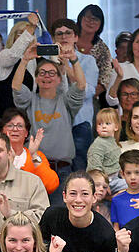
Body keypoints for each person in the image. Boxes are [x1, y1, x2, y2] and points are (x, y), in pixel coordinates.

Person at [13, 41, 86, 183]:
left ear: (59, 79)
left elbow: (81, 85)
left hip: (63, 170)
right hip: (34, 168)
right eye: (42, 73)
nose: (47, 76)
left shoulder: (66, 102)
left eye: (52, 73)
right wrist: (25, 60)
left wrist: (73, 59)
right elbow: (16, 86)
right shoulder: (30, 100)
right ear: (36, 78)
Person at [49, 19, 98, 173]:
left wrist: (67, 66)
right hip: (54, 124)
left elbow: (88, 91)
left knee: (80, 171)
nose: (64, 37)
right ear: (53, 39)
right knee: (57, 173)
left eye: (68, 33)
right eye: (59, 34)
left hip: (79, 124)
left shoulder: (88, 61)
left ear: (76, 37)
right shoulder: (47, 62)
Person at [39, 171, 116, 252]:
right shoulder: (51, 216)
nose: (78, 200)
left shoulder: (106, 234)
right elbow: (39, 250)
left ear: (94, 197)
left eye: (84, 194)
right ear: (64, 196)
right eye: (73, 193)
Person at [0, 107, 59, 193]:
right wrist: (7, 159)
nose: (15, 129)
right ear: (2, 131)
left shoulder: (37, 156)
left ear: (26, 132)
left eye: (20, 126)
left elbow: (51, 186)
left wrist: (34, 155)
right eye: (10, 125)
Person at [75, 5, 113, 101]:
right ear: (81, 18)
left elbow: (105, 78)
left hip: (89, 99)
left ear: (100, 24)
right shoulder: (68, 39)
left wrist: (86, 96)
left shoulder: (103, 49)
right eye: (88, 18)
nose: (91, 22)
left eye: (95, 19)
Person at [87, 108, 123, 192]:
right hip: (106, 181)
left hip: (116, 177)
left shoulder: (112, 142)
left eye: (107, 123)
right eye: (100, 124)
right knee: (130, 186)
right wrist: (102, 185)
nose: (103, 126)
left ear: (116, 127)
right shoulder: (98, 145)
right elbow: (94, 168)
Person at [110, 151, 139, 229]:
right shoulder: (116, 200)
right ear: (123, 174)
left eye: (137, 172)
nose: (133, 177)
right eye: (128, 173)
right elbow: (116, 228)